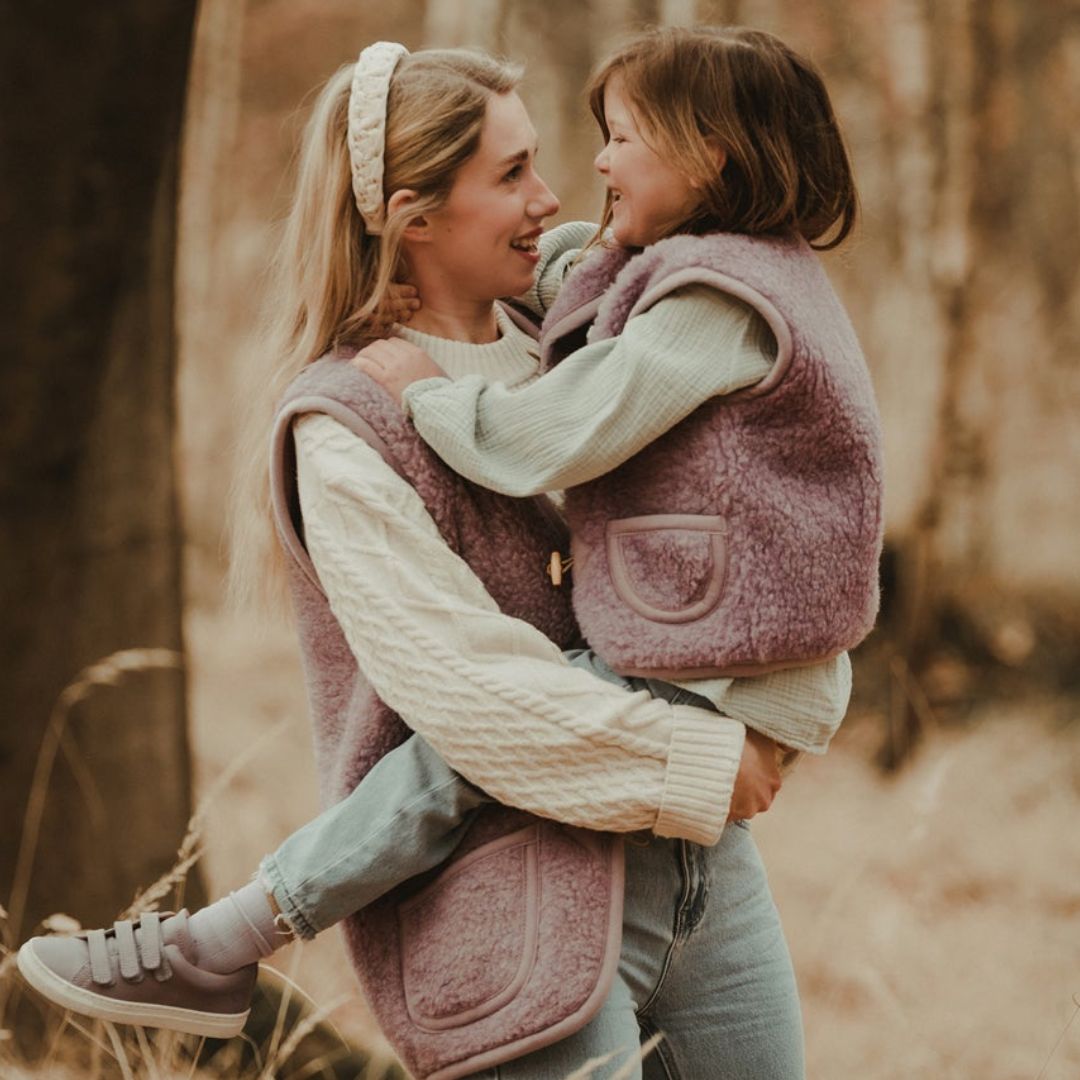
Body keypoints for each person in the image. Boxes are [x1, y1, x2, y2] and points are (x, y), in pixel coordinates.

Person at [17, 30, 876, 1079]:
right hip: (507, 907)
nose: (554, 194)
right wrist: (701, 759)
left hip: (702, 881)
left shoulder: (590, 328)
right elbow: (475, 698)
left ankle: (218, 940)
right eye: (512, 173)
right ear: (411, 215)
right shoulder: (346, 428)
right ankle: (217, 944)